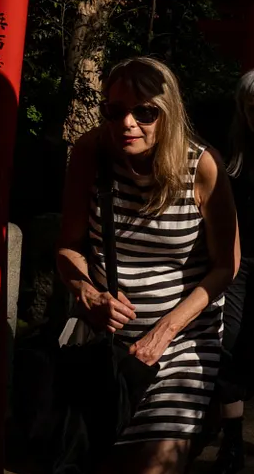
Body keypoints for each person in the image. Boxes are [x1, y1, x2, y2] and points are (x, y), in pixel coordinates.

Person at [56, 56, 240, 474]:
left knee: (157, 461)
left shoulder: (202, 165)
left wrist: (165, 331)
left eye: (145, 112)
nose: (127, 123)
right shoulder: (91, 153)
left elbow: (226, 266)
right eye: (115, 110)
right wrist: (87, 292)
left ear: (168, 112)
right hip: (108, 344)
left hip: (183, 337)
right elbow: (68, 246)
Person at [212, 69, 254, 473]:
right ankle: (231, 439)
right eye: (251, 109)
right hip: (234, 258)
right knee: (227, 341)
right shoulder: (229, 147)